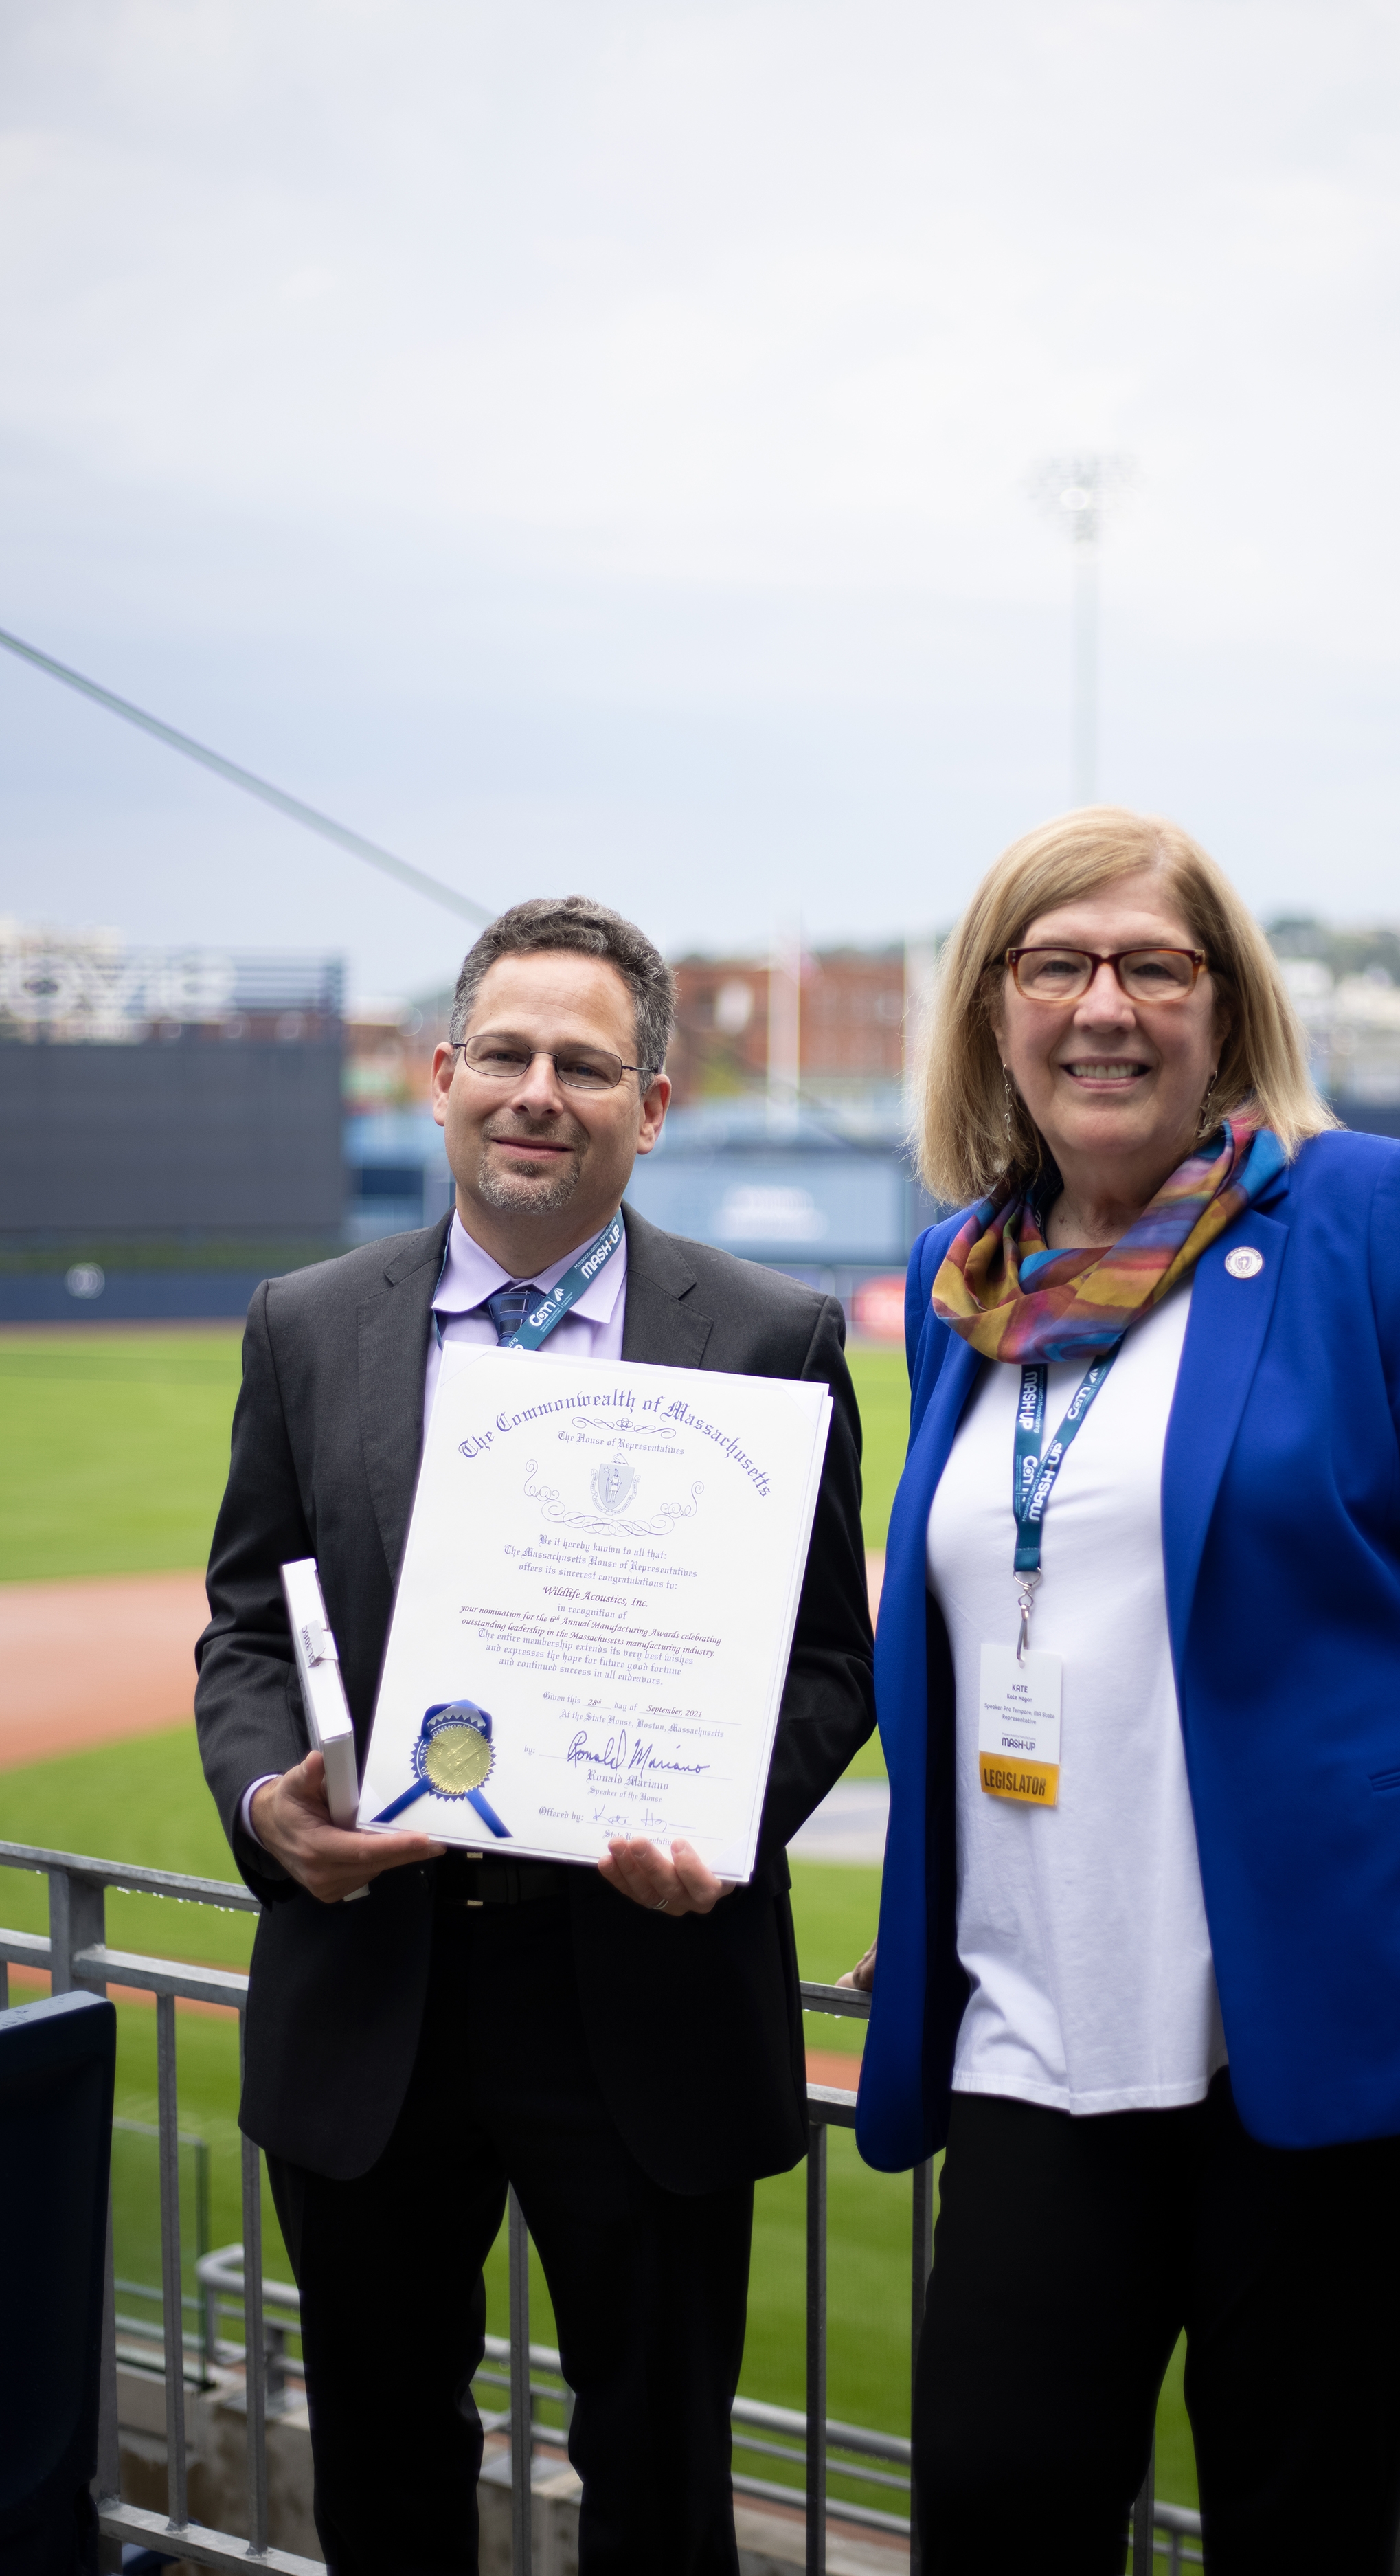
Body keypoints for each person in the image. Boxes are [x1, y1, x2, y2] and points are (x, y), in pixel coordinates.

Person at [847, 811, 1400, 2575]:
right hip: (1035, 2030)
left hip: (1321, 2029)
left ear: (1226, 1006)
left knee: (1304, 2536)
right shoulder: (971, 1273)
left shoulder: (1368, 1216)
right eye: (1056, 966)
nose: (1103, 1007)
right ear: (993, 1013)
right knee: (995, 2509)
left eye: (1154, 966)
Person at [196, 896, 874, 2576]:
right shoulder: (305, 1323)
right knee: (382, 2478)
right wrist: (268, 1801)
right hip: (375, 1989)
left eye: (585, 1064)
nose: (536, 1093)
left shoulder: (773, 1335)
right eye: (504, 1053)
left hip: (646, 1990)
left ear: (654, 1105)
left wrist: (721, 1820)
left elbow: (826, 1664)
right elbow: (250, 1622)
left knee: (660, 2489)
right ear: (442, 1078)